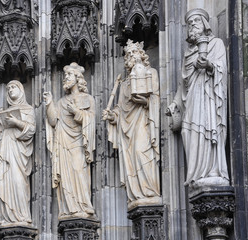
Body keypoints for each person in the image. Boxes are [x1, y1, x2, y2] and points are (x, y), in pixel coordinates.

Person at [166, 8, 229, 187]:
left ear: (205, 24)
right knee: (188, 131)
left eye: (196, 21)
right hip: (192, 99)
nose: (193, 25)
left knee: (207, 130)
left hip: (208, 97)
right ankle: (196, 173)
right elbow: (182, 84)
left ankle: (212, 170)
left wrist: (208, 65)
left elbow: (222, 70)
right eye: (190, 23)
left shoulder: (215, 44)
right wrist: (175, 104)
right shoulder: (188, 54)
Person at [102, 40, 161, 209]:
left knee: (142, 151)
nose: (130, 57)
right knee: (133, 155)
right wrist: (112, 116)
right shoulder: (125, 84)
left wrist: (144, 101)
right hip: (128, 129)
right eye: (128, 55)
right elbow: (121, 110)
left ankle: (149, 191)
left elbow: (156, 98)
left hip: (143, 122)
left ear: (141, 55)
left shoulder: (151, 73)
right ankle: (137, 193)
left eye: (134, 53)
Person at [43, 62, 96, 219]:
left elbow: (91, 120)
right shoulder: (61, 102)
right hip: (63, 143)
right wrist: (49, 104)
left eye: (69, 75)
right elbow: (53, 121)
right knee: (66, 178)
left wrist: (77, 112)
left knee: (79, 170)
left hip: (78, 143)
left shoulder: (88, 99)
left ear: (78, 78)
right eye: (65, 75)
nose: (66, 77)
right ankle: (69, 208)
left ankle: (84, 205)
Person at [0, 80, 36, 227]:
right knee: (6, 181)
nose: (10, 90)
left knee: (18, 181)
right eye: (8, 88)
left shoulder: (28, 109)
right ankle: (9, 217)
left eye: (13, 87)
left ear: (21, 90)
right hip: (5, 149)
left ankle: (21, 216)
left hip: (19, 151)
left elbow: (31, 130)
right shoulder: (5, 112)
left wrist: (16, 122)